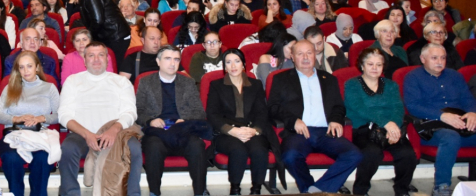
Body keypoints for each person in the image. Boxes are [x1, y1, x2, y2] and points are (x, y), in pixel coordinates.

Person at [268, 39, 362, 193]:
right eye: (300, 53)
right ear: (292, 56)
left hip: (325, 132)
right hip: (298, 132)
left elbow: (339, 106)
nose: (305, 57)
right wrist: (293, 121)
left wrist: (335, 120)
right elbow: (273, 107)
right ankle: (311, 188)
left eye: (309, 53)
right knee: (290, 157)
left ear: (315, 54)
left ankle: (315, 190)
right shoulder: (281, 79)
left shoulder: (329, 79)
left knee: (354, 154)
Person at [58, 42, 142, 196]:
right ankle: (70, 193)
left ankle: (133, 193)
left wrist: (114, 130)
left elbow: (130, 112)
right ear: (84, 60)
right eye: (91, 55)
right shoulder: (72, 81)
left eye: (101, 55)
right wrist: (87, 134)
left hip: (115, 133)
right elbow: (64, 115)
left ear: (107, 59)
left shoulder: (121, 82)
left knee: (134, 148)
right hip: (81, 134)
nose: (96, 59)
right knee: (67, 149)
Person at [404, 44, 476, 196]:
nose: (440, 62)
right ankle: (441, 187)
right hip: (431, 127)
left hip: (460, 122)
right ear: (423, 59)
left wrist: (472, 113)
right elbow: (413, 106)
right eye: (434, 58)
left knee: (457, 134)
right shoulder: (413, 77)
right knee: (451, 137)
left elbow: (468, 99)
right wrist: (442, 116)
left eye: (443, 58)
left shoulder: (455, 76)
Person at [137, 45, 208, 196]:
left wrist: (184, 120)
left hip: (182, 131)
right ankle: (154, 192)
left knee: (197, 145)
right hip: (157, 133)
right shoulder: (145, 82)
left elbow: (199, 112)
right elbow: (138, 111)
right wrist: (150, 121)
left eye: (176, 59)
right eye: (167, 59)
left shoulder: (188, 82)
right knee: (153, 147)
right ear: (158, 61)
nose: (172, 63)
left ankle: (200, 191)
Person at [345, 47, 417, 196]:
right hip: (363, 129)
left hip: (390, 129)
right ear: (362, 65)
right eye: (370, 64)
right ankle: (361, 191)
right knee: (372, 153)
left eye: (379, 64)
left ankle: (402, 190)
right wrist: (386, 123)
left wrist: (394, 126)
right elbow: (360, 109)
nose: (375, 68)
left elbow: (398, 108)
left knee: (407, 154)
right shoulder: (352, 85)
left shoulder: (391, 85)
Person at [207, 49, 279, 196]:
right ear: (224, 67)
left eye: (237, 61)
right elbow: (212, 114)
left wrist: (255, 130)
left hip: (251, 129)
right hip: (226, 132)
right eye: (228, 62)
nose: (233, 66)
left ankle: (256, 190)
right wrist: (232, 130)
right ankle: (235, 189)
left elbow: (261, 112)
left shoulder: (256, 84)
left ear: (244, 64)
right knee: (238, 150)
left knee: (259, 150)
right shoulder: (216, 85)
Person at [0, 51, 61, 196]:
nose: (25, 71)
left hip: (40, 135)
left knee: (43, 158)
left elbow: (60, 115)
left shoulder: (49, 88)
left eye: (29, 66)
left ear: (37, 67)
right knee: (11, 158)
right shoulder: (10, 87)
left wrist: (41, 118)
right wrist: (16, 118)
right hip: (14, 134)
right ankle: (16, 193)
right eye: (21, 67)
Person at [62, 0, 135, 67]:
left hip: (115, 36)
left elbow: (97, 20)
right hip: (112, 34)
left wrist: (90, 36)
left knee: (113, 68)